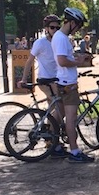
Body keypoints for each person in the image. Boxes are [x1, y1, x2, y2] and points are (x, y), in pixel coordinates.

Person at [19, 14, 66, 156]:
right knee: (61, 110)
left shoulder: (60, 41)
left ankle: (50, 137)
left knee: (55, 110)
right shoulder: (40, 43)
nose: (55, 30)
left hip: (58, 81)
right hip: (46, 81)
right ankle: (52, 141)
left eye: (58, 27)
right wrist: (23, 79)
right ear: (46, 29)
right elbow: (29, 61)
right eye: (52, 27)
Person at [52, 7, 94, 163]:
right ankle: (75, 152)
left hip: (62, 81)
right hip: (68, 84)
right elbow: (62, 61)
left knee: (58, 116)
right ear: (71, 22)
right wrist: (77, 62)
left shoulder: (59, 37)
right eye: (79, 26)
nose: (79, 30)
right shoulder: (62, 38)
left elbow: (65, 57)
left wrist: (78, 57)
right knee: (71, 119)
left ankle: (54, 145)